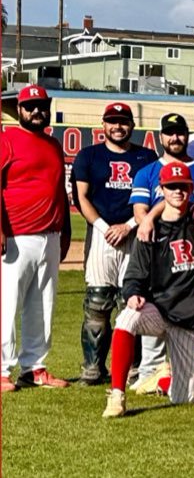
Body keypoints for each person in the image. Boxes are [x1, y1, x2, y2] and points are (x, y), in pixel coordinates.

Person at [102, 163, 194, 416]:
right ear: (161, 189)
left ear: (191, 188)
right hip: (159, 310)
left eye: (183, 186)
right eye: (172, 186)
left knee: (184, 399)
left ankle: (162, 377)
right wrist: (132, 295)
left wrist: (150, 214)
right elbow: (133, 275)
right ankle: (117, 394)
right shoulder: (148, 230)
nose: (178, 191)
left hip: (191, 316)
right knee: (127, 318)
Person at [72, 102, 156, 386]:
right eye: (112, 121)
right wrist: (105, 227)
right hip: (102, 234)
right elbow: (81, 197)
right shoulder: (89, 155)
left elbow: (154, 198)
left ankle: (132, 368)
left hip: (135, 233)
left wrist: (130, 225)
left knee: (131, 302)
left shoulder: (146, 156)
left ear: (132, 125)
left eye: (123, 121)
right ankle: (93, 368)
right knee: (98, 302)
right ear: (103, 125)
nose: (118, 126)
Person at [127, 113, 194, 395]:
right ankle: (149, 374)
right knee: (143, 306)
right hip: (153, 245)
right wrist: (149, 219)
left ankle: (169, 376)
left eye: (180, 132)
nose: (175, 138)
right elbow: (140, 214)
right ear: (160, 136)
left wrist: (154, 214)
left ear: (188, 135)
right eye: (169, 133)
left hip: (187, 247)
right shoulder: (147, 171)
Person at [2, 85, 71, 392]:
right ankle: (2, 369)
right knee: (7, 304)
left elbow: (59, 190)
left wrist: (65, 231)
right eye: (30, 106)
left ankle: (34, 367)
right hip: (16, 235)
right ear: (19, 109)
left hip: (49, 235)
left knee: (43, 305)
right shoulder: (6, 140)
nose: (36, 111)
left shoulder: (54, 145)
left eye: (41, 105)